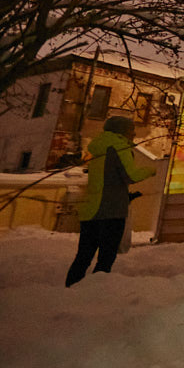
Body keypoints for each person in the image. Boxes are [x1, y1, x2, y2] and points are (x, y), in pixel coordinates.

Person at [65, 116, 155, 287]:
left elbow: (107, 179)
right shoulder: (119, 147)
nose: (134, 133)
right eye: (131, 130)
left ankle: (71, 289)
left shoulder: (98, 147)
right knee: (106, 257)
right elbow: (131, 175)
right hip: (111, 211)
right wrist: (152, 170)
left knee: (83, 256)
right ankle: (94, 292)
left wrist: (126, 196)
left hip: (91, 210)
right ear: (122, 131)